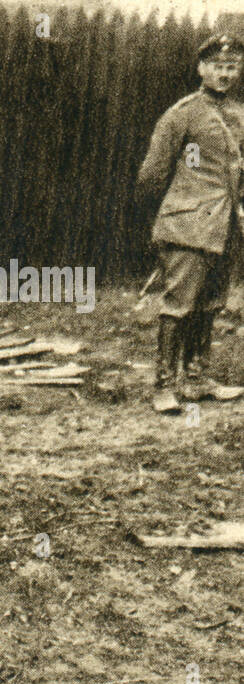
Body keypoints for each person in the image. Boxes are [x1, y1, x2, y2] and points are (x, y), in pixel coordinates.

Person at [137, 33, 244, 413]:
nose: (225, 74)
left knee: (211, 303)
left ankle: (196, 379)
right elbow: (152, 174)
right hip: (189, 226)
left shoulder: (239, 114)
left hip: (226, 227)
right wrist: (170, 217)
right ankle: (163, 386)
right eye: (217, 66)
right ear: (202, 68)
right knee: (178, 306)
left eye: (232, 67)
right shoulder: (183, 114)